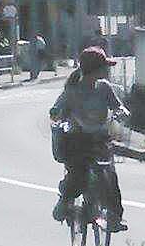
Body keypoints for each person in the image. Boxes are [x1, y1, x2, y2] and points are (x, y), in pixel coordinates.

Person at [49, 46, 129, 232]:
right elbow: (56, 109)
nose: (107, 71)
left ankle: (114, 217)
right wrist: (57, 114)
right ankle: (65, 202)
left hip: (101, 139)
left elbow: (117, 106)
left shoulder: (104, 88)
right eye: (104, 67)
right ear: (95, 69)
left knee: (110, 176)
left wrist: (122, 112)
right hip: (78, 140)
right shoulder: (72, 91)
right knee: (78, 175)